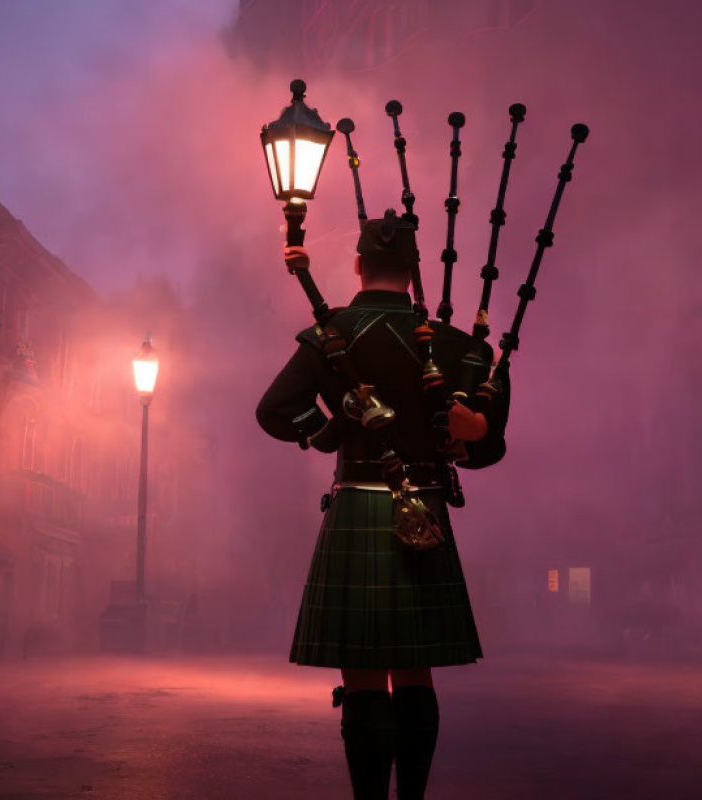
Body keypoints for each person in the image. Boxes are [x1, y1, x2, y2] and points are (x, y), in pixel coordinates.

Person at [256, 210, 509, 800]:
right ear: (416, 271)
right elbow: (488, 443)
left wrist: (328, 428)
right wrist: (462, 439)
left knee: (365, 676)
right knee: (415, 671)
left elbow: (273, 410)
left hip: (357, 510)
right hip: (425, 506)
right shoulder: (457, 348)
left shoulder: (332, 333)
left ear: (357, 266)